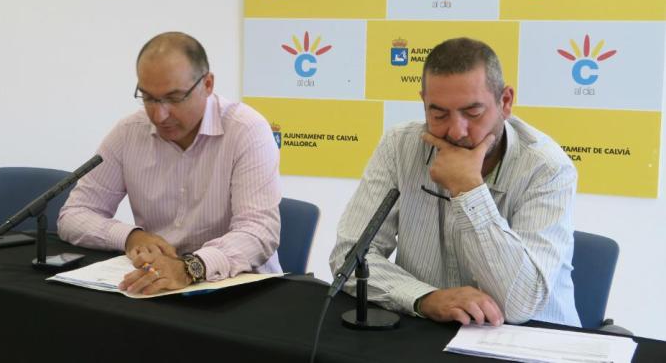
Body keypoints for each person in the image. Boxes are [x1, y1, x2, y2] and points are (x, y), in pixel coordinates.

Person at [329, 37, 580, 327]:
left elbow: (520, 305)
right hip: (431, 332)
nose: (456, 131)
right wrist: (425, 298)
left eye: (473, 113)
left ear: (505, 102)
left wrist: (469, 189)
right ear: (424, 103)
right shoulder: (399, 146)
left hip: (534, 338)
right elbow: (348, 258)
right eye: (438, 114)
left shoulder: (547, 168)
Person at [58, 31, 282, 295]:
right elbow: (74, 215)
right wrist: (131, 237)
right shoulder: (129, 132)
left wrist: (191, 267)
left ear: (207, 84)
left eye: (174, 98)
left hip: (238, 292)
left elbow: (259, 232)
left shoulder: (247, 130)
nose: (159, 115)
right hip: (158, 288)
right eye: (149, 98)